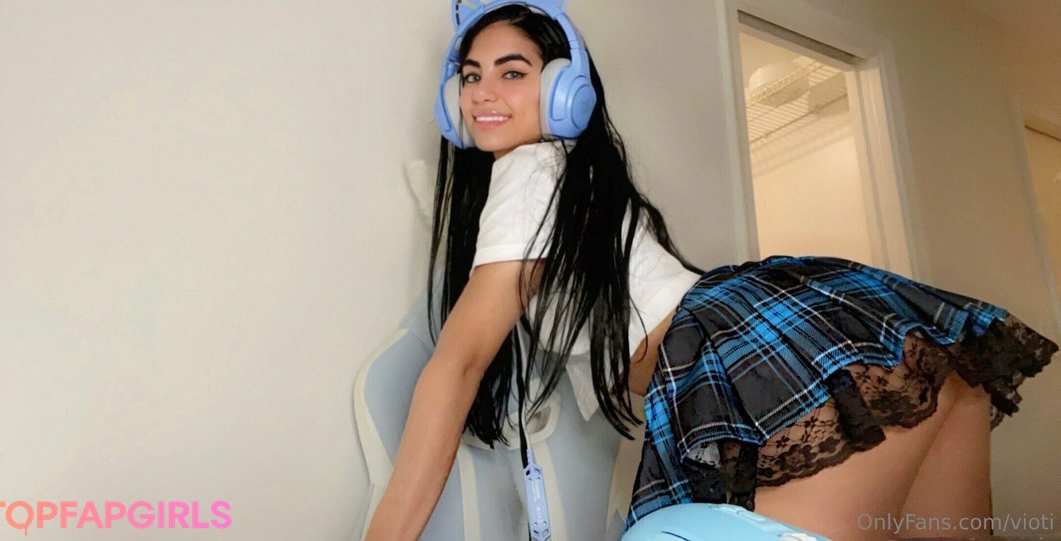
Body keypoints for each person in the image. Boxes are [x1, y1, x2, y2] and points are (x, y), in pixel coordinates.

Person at [364, 2, 1058, 540]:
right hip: (821, 323)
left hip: (739, 349)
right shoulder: (576, 180)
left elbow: (456, 366)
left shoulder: (526, 172)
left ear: (562, 88)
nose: (483, 92)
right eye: (470, 74)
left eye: (512, 71)